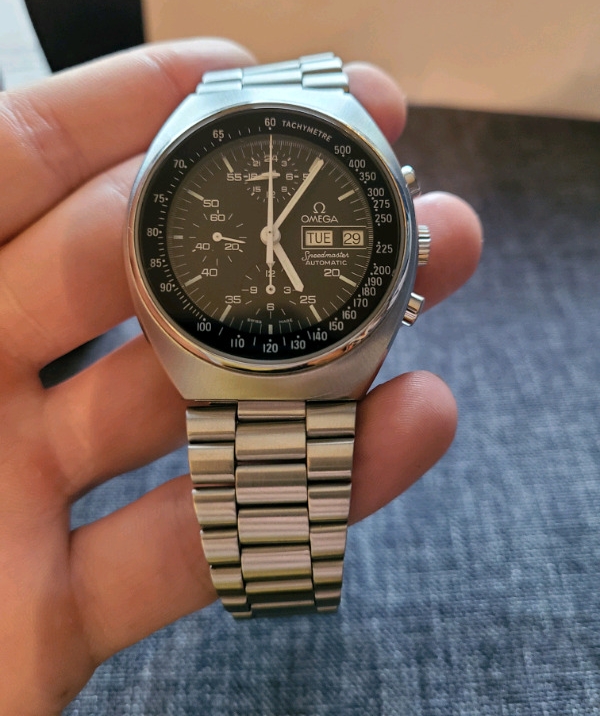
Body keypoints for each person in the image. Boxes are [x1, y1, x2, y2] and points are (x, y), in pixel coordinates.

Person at [0, 38, 482, 715]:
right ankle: (278, 581)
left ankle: (281, 581)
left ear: (408, 241)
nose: (269, 237)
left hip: (305, 349)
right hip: (213, 353)